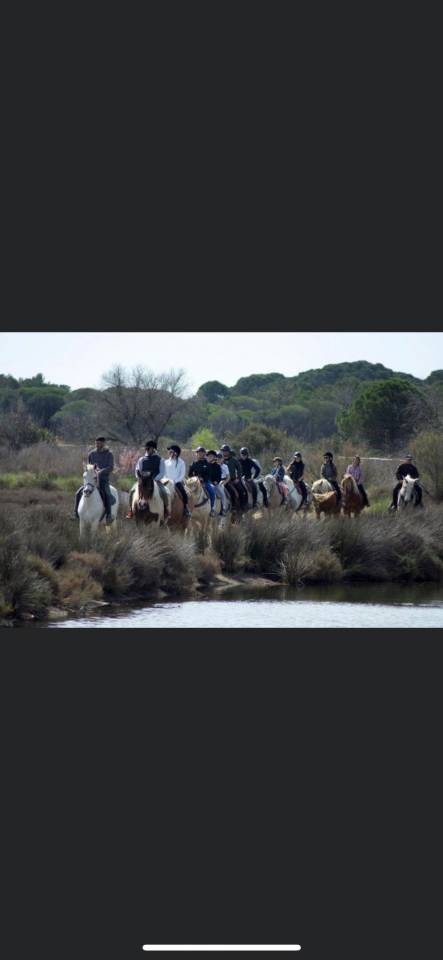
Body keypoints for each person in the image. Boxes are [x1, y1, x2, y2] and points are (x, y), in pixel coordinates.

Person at [73, 436, 115, 524]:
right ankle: (76, 514)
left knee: (107, 494)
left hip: (103, 480)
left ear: (103, 443)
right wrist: (89, 471)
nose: (97, 445)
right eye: (96, 443)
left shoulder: (109, 454)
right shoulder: (91, 454)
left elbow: (111, 467)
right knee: (78, 493)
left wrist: (101, 471)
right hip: (91, 481)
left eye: (99, 443)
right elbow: (89, 467)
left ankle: (109, 516)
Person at [126, 440, 170, 520]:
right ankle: (131, 510)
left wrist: (153, 479)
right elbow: (137, 470)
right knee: (132, 491)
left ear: (153, 449)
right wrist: (139, 478)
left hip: (155, 480)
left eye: (148, 448)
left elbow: (162, 472)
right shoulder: (142, 459)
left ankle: (166, 511)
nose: (146, 450)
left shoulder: (160, 460)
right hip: (142, 481)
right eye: (146, 448)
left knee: (164, 492)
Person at [163, 444, 191, 518]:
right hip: (166, 482)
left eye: (171, 451)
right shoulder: (166, 462)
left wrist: (174, 481)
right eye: (169, 451)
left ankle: (186, 508)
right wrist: (167, 480)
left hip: (177, 482)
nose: (169, 452)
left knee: (184, 493)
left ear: (176, 453)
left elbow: (182, 475)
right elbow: (164, 473)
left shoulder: (181, 463)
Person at [188, 446, 216, 517]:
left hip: (205, 482)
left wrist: (203, 480)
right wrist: (194, 478)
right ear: (196, 454)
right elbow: (189, 474)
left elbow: (208, 474)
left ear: (204, 454)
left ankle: (212, 509)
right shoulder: (193, 463)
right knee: (187, 493)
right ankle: (187, 509)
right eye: (199, 453)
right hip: (194, 483)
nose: (200, 454)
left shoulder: (207, 463)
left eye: (202, 453)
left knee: (212, 492)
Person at [220, 444, 248, 510]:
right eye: (223, 451)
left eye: (225, 451)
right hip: (223, 480)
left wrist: (238, 478)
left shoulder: (234, 460)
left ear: (228, 452)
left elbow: (239, 469)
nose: (224, 452)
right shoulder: (220, 460)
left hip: (233, 480)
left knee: (241, 490)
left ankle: (242, 505)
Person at [206, 450, 227, 515]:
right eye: (209, 456)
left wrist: (216, 481)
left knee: (222, 493)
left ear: (214, 457)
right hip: (208, 482)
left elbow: (219, 476)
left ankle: (223, 508)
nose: (210, 457)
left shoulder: (217, 466)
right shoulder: (206, 465)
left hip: (215, 483)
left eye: (211, 456)